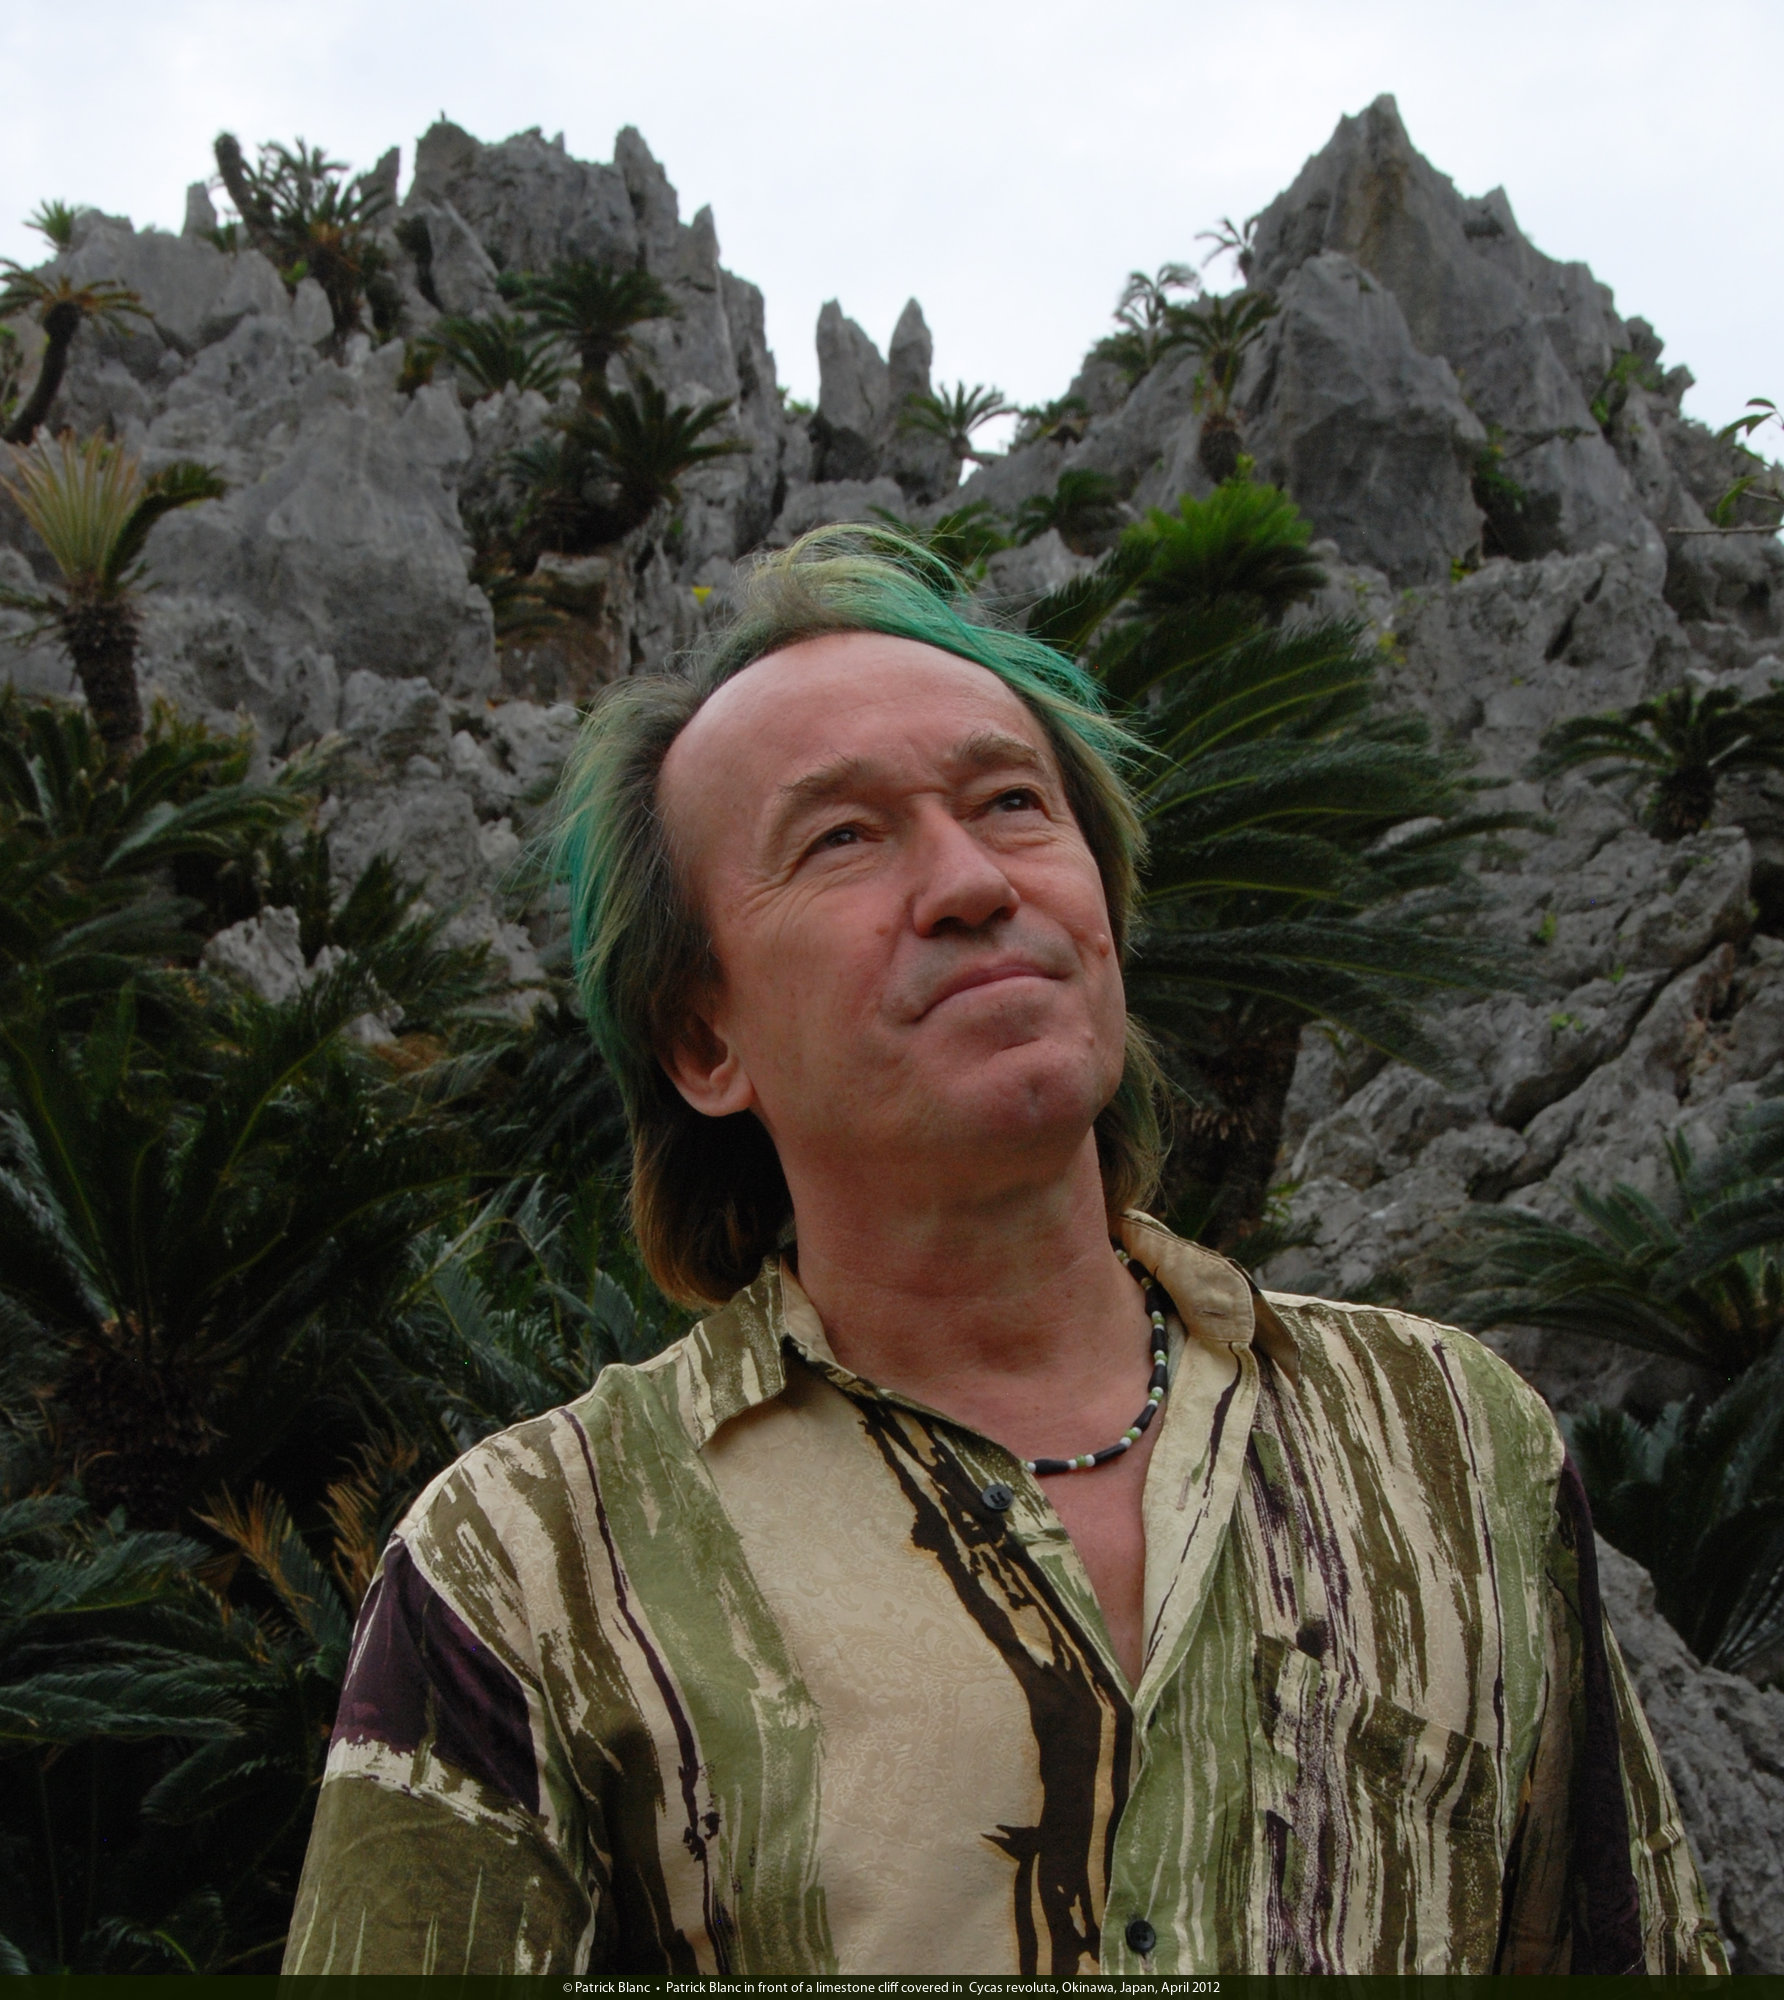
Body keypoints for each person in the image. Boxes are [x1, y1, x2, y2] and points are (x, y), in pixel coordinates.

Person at [284, 529, 1724, 1977]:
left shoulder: (1455, 1441)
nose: (972, 881)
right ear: (706, 1040)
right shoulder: (529, 1566)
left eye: (1014, 803)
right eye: (841, 838)